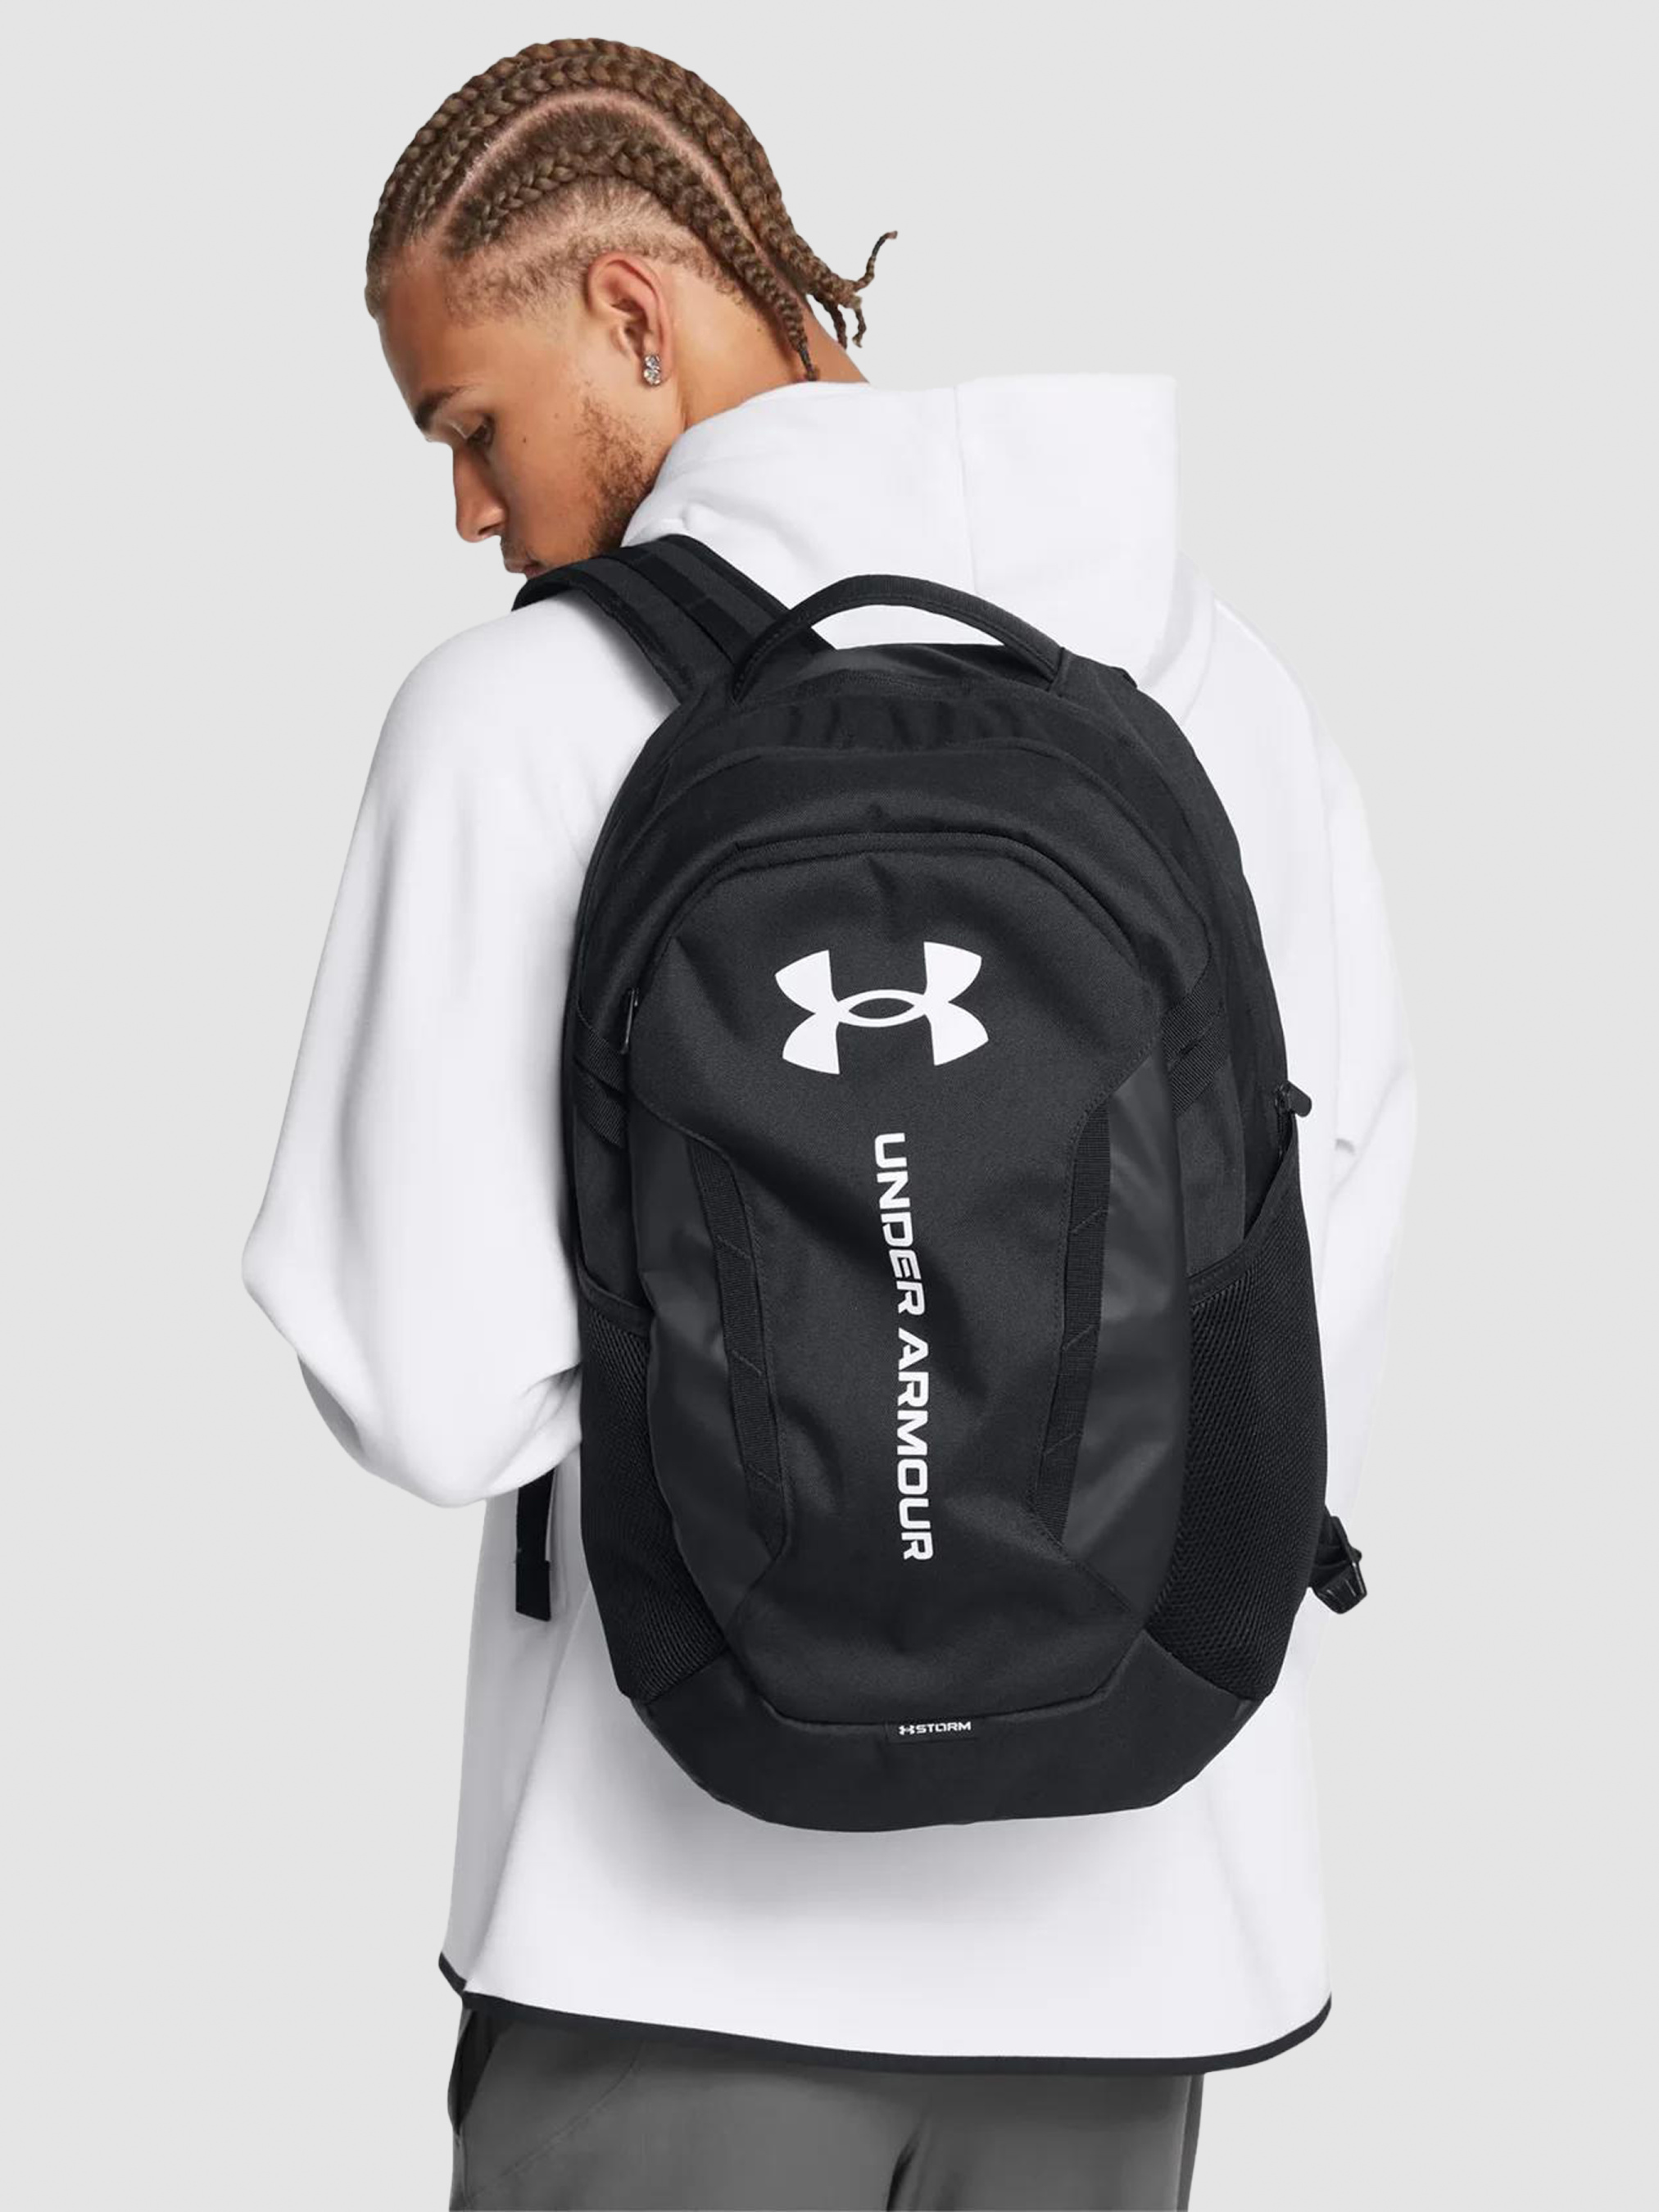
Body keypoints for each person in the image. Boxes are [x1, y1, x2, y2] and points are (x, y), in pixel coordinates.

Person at [243, 34, 1416, 2212]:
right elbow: (1301, 1286)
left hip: (662, 1933)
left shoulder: (512, 718)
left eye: (468, 424)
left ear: (629, 311)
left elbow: (428, 1391)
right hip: (1139, 1930)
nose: (473, 512)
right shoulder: (1224, 682)